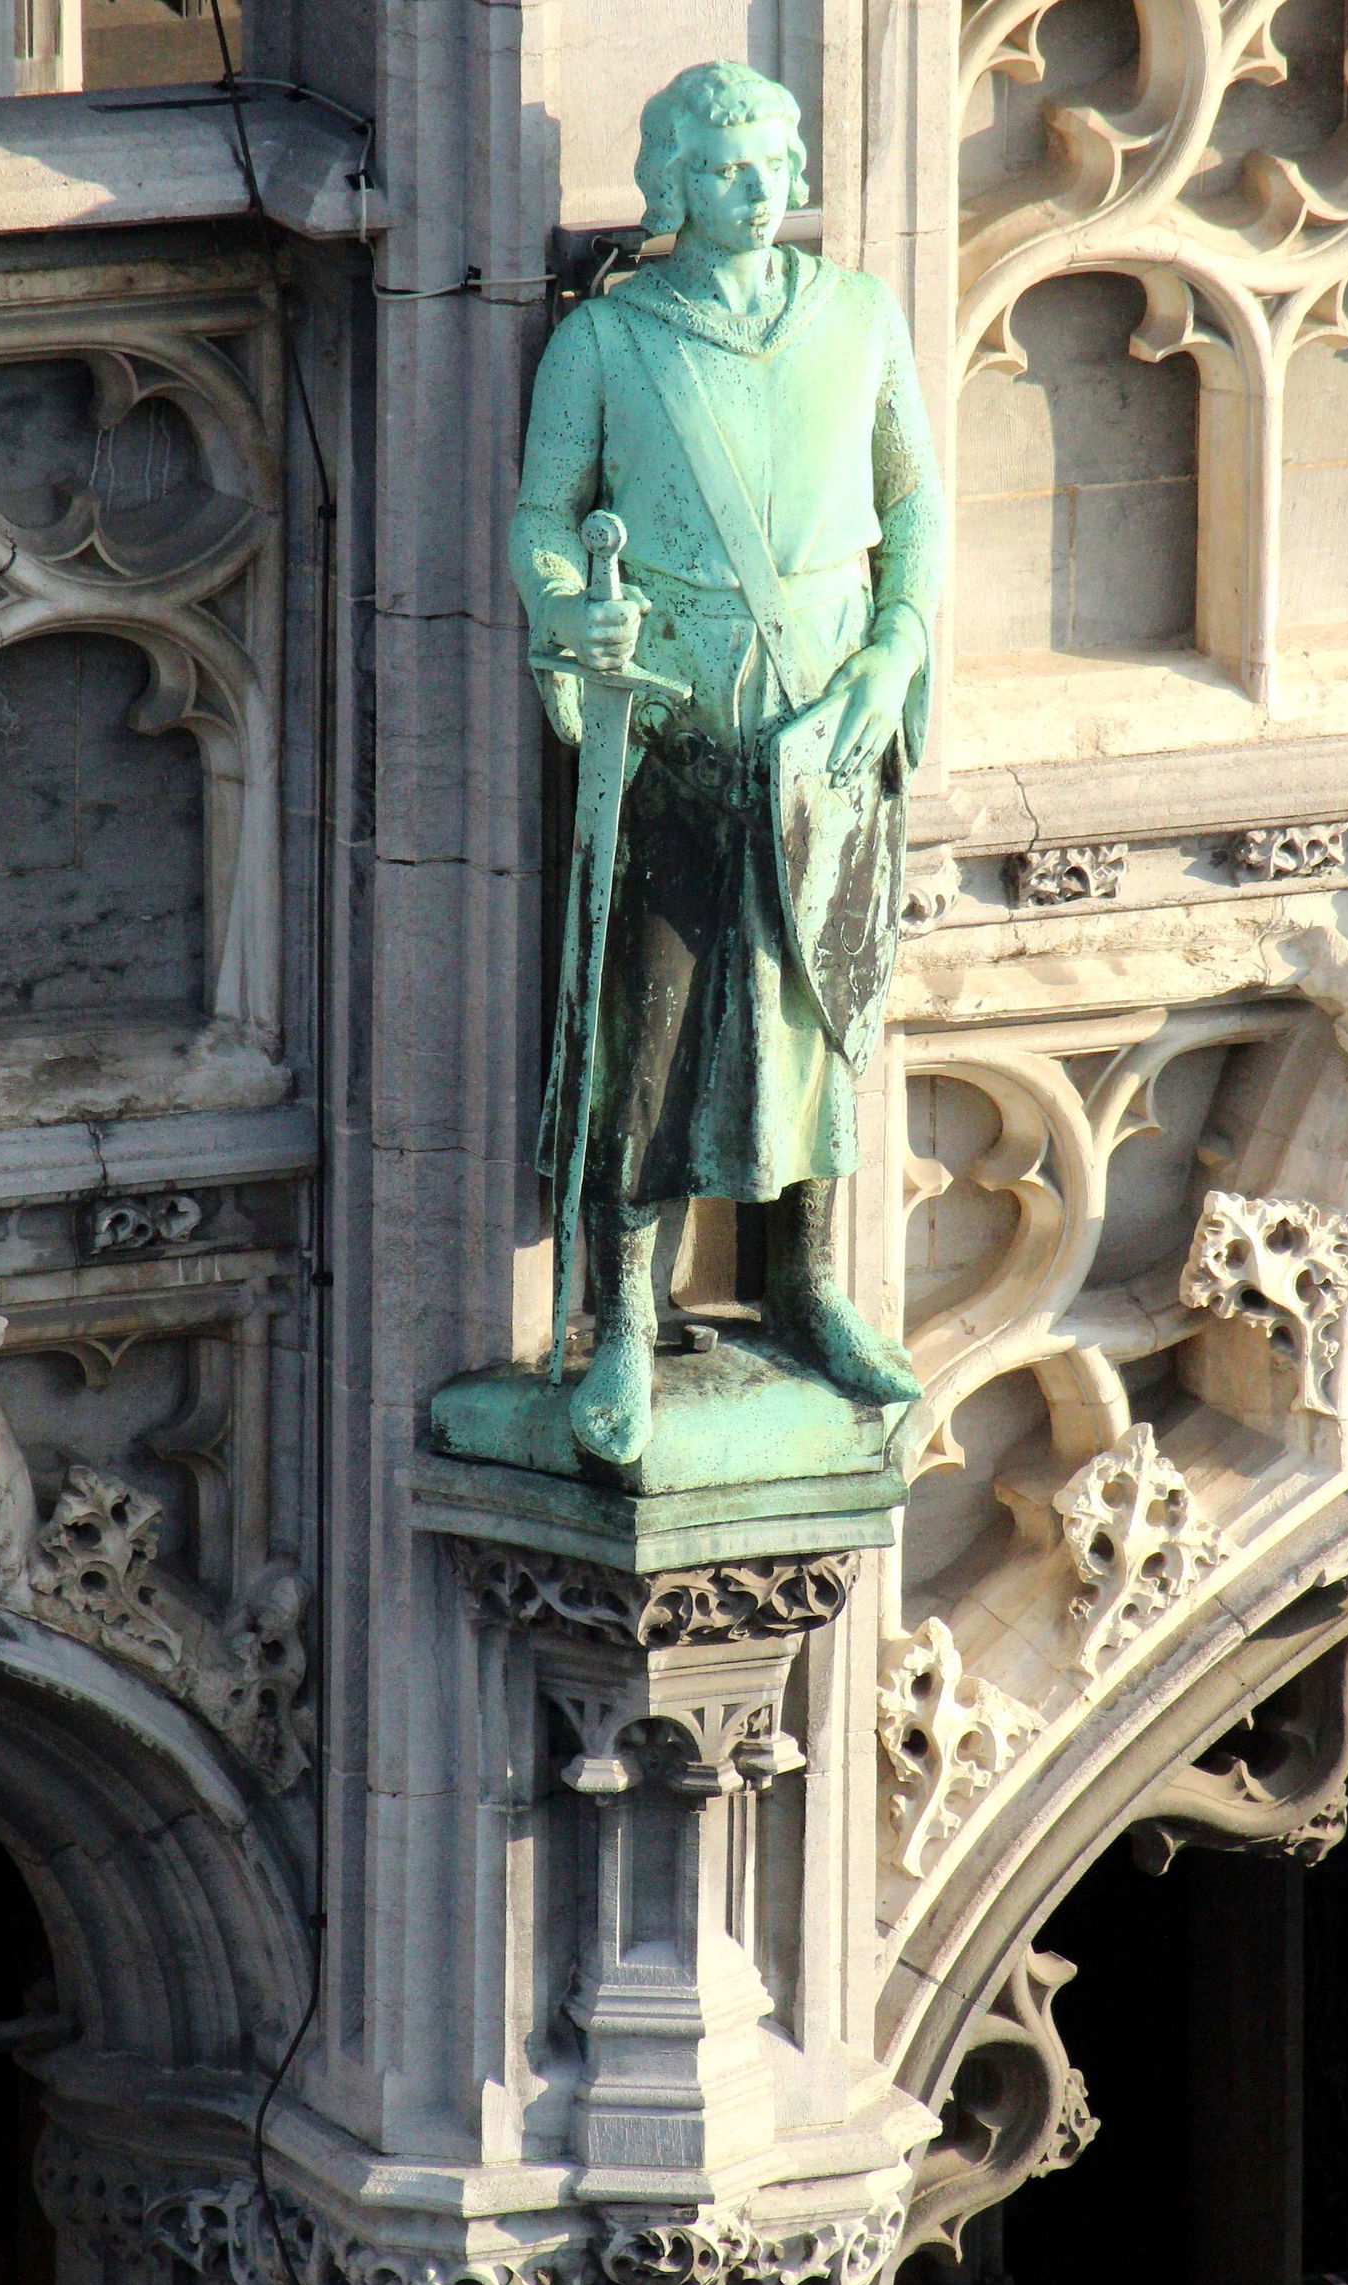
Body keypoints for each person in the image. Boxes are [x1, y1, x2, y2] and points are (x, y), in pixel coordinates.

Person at [510, 59, 945, 1466]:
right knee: (652, 1023)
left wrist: (893, 655)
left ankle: (810, 1281)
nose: (763, 191)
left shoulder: (860, 317)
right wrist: (576, 608)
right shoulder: (610, 341)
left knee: (823, 1011)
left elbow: (914, 503)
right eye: (729, 170)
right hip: (676, 726)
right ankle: (625, 1318)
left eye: (777, 163)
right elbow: (541, 518)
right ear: (673, 187)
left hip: (828, 726)